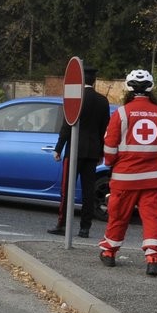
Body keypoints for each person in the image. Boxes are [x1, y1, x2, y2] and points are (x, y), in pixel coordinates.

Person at [99, 68, 157, 276]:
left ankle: (109, 253)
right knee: (151, 218)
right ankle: (152, 259)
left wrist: (110, 162)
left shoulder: (121, 113)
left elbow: (110, 145)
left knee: (118, 216)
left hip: (125, 177)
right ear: (151, 88)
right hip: (153, 178)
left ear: (127, 88)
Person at [48, 65, 111, 238]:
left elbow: (67, 125)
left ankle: (62, 224)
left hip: (74, 150)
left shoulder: (74, 99)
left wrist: (58, 148)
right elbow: (103, 129)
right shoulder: (102, 101)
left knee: (66, 189)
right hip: (92, 152)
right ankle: (85, 228)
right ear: (95, 80)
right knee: (88, 191)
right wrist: (100, 153)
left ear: (81, 80)